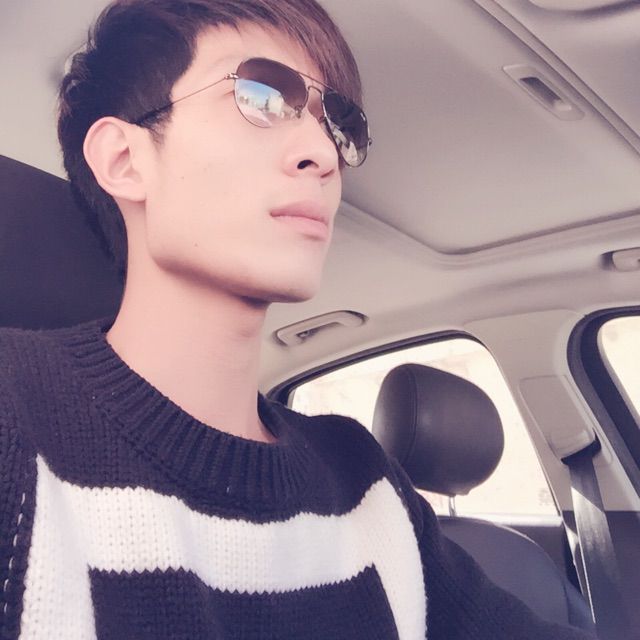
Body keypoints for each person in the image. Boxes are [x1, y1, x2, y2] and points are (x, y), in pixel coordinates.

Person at [0, 0, 596, 638]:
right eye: (259, 95)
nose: (323, 152)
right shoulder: (15, 414)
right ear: (124, 160)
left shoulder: (362, 477)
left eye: (336, 123)